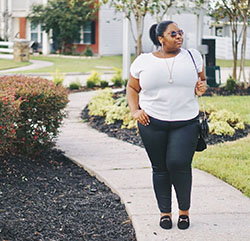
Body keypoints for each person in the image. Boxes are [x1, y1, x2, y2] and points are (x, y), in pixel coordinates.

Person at [126, 20, 207, 230]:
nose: (179, 36)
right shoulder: (143, 61)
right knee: (160, 168)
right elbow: (132, 88)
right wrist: (135, 110)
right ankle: (164, 213)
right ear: (161, 39)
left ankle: (184, 212)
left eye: (180, 32)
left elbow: (202, 82)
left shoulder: (193, 56)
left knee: (179, 164)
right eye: (173, 34)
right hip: (152, 122)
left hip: (186, 122)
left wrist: (201, 87)